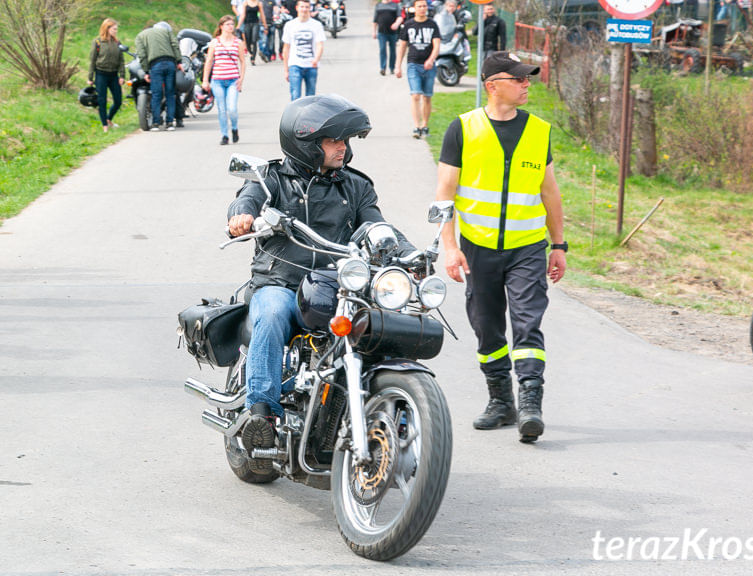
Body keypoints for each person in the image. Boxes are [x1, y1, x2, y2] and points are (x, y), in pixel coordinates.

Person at [226, 95, 416, 464]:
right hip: (281, 282)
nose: (343, 148)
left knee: (382, 324)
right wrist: (242, 218)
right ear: (307, 143)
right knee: (273, 314)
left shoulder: (355, 187)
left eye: (345, 141)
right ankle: (260, 414)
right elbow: (244, 201)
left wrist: (409, 254)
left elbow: (376, 225)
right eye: (334, 141)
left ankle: (396, 408)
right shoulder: (271, 179)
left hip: (336, 286)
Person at [433, 51, 567, 444]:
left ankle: (530, 402)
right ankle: (501, 401)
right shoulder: (463, 129)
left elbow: (550, 193)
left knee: (528, 323)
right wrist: (449, 247)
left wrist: (558, 245)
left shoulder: (538, 131)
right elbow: (444, 195)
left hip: (527, 247)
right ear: (493, 86)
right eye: (519, 79)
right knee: (487, 326)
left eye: (528, 79)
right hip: (478, 248)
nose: (527, 84)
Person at [395, 0, 440, 139]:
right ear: (414, 8)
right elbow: (402, 46)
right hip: (413, 64)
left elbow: (437, 45)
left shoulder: (432, 24)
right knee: (415, 95)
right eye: (419, 6)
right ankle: (416, 126)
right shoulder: (408, 25)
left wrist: (431, 60)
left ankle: (424, 125)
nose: (422, 8)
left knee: (427, 97)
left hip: (429, 66)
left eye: (424, 6)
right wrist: (398, 66)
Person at [202, 15, 248, 145]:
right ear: (221, 26)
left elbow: (243, 62)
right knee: (222, 109)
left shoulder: (238, 42)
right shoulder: (214, 42)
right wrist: (205, 80)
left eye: (232, 24)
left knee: (232, 108)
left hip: (233, 80)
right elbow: (209, 61)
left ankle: (234, 128)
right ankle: (224, 135)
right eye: (227, 24)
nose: (230, 27)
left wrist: (241, 79)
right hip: (217, 81)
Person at [134, 21, 182, 131]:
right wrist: (179, 61)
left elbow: (142, 55)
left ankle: (156, 123)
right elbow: (175, 45)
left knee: (157, 94)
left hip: (156, 65)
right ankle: (170, 123)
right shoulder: (165, 31)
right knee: (170, 93)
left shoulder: (140, 36)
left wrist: (146, 71)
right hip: (170, 63)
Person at [282, 0, 326, 100]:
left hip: (311, 65)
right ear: (297, 8)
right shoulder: (290, 25)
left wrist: (316, 59)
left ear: (310, 8)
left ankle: (309, 116)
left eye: (307, 7)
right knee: (295, 95)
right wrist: (286, 70)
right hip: (295, 64)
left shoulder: (316, 25)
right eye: (302, 7)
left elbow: (320, 45)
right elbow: (286, 48)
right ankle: (295, 116)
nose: (304, 9)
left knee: (310, 97)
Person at [88, 18, 125, 133]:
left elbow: (121, 61)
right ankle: (105, 126)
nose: (115, 31)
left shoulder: (118, 43)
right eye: (114, 29)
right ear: (107, 28)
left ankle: (109, 119)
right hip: (101, 75)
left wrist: (122, 76)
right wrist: (90, 78)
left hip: (114, 75)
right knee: (102, 100)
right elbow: (92, 60)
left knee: (118, 100)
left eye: (116, 29)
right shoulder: (97, 42)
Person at [373, 0, 403, 76]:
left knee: (392, 50)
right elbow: (375, 20)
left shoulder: (395, 5)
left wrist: (396, 23)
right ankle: (383, 68)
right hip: (381, 32)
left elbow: (400, 17)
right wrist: (374, 31)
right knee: (382, 49)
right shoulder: (378, 5)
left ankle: (392, 68)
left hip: (392, 32)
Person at [238, 0, 267, 65]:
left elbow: (262, 15)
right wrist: (238, 25)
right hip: (247, 24)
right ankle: (251, 53)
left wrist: (265, 26)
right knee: (247, 41)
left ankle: (253, 58)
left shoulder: (259, 3)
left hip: (255, 23)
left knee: (254, 40)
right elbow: (243, 15)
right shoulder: (245, 3)